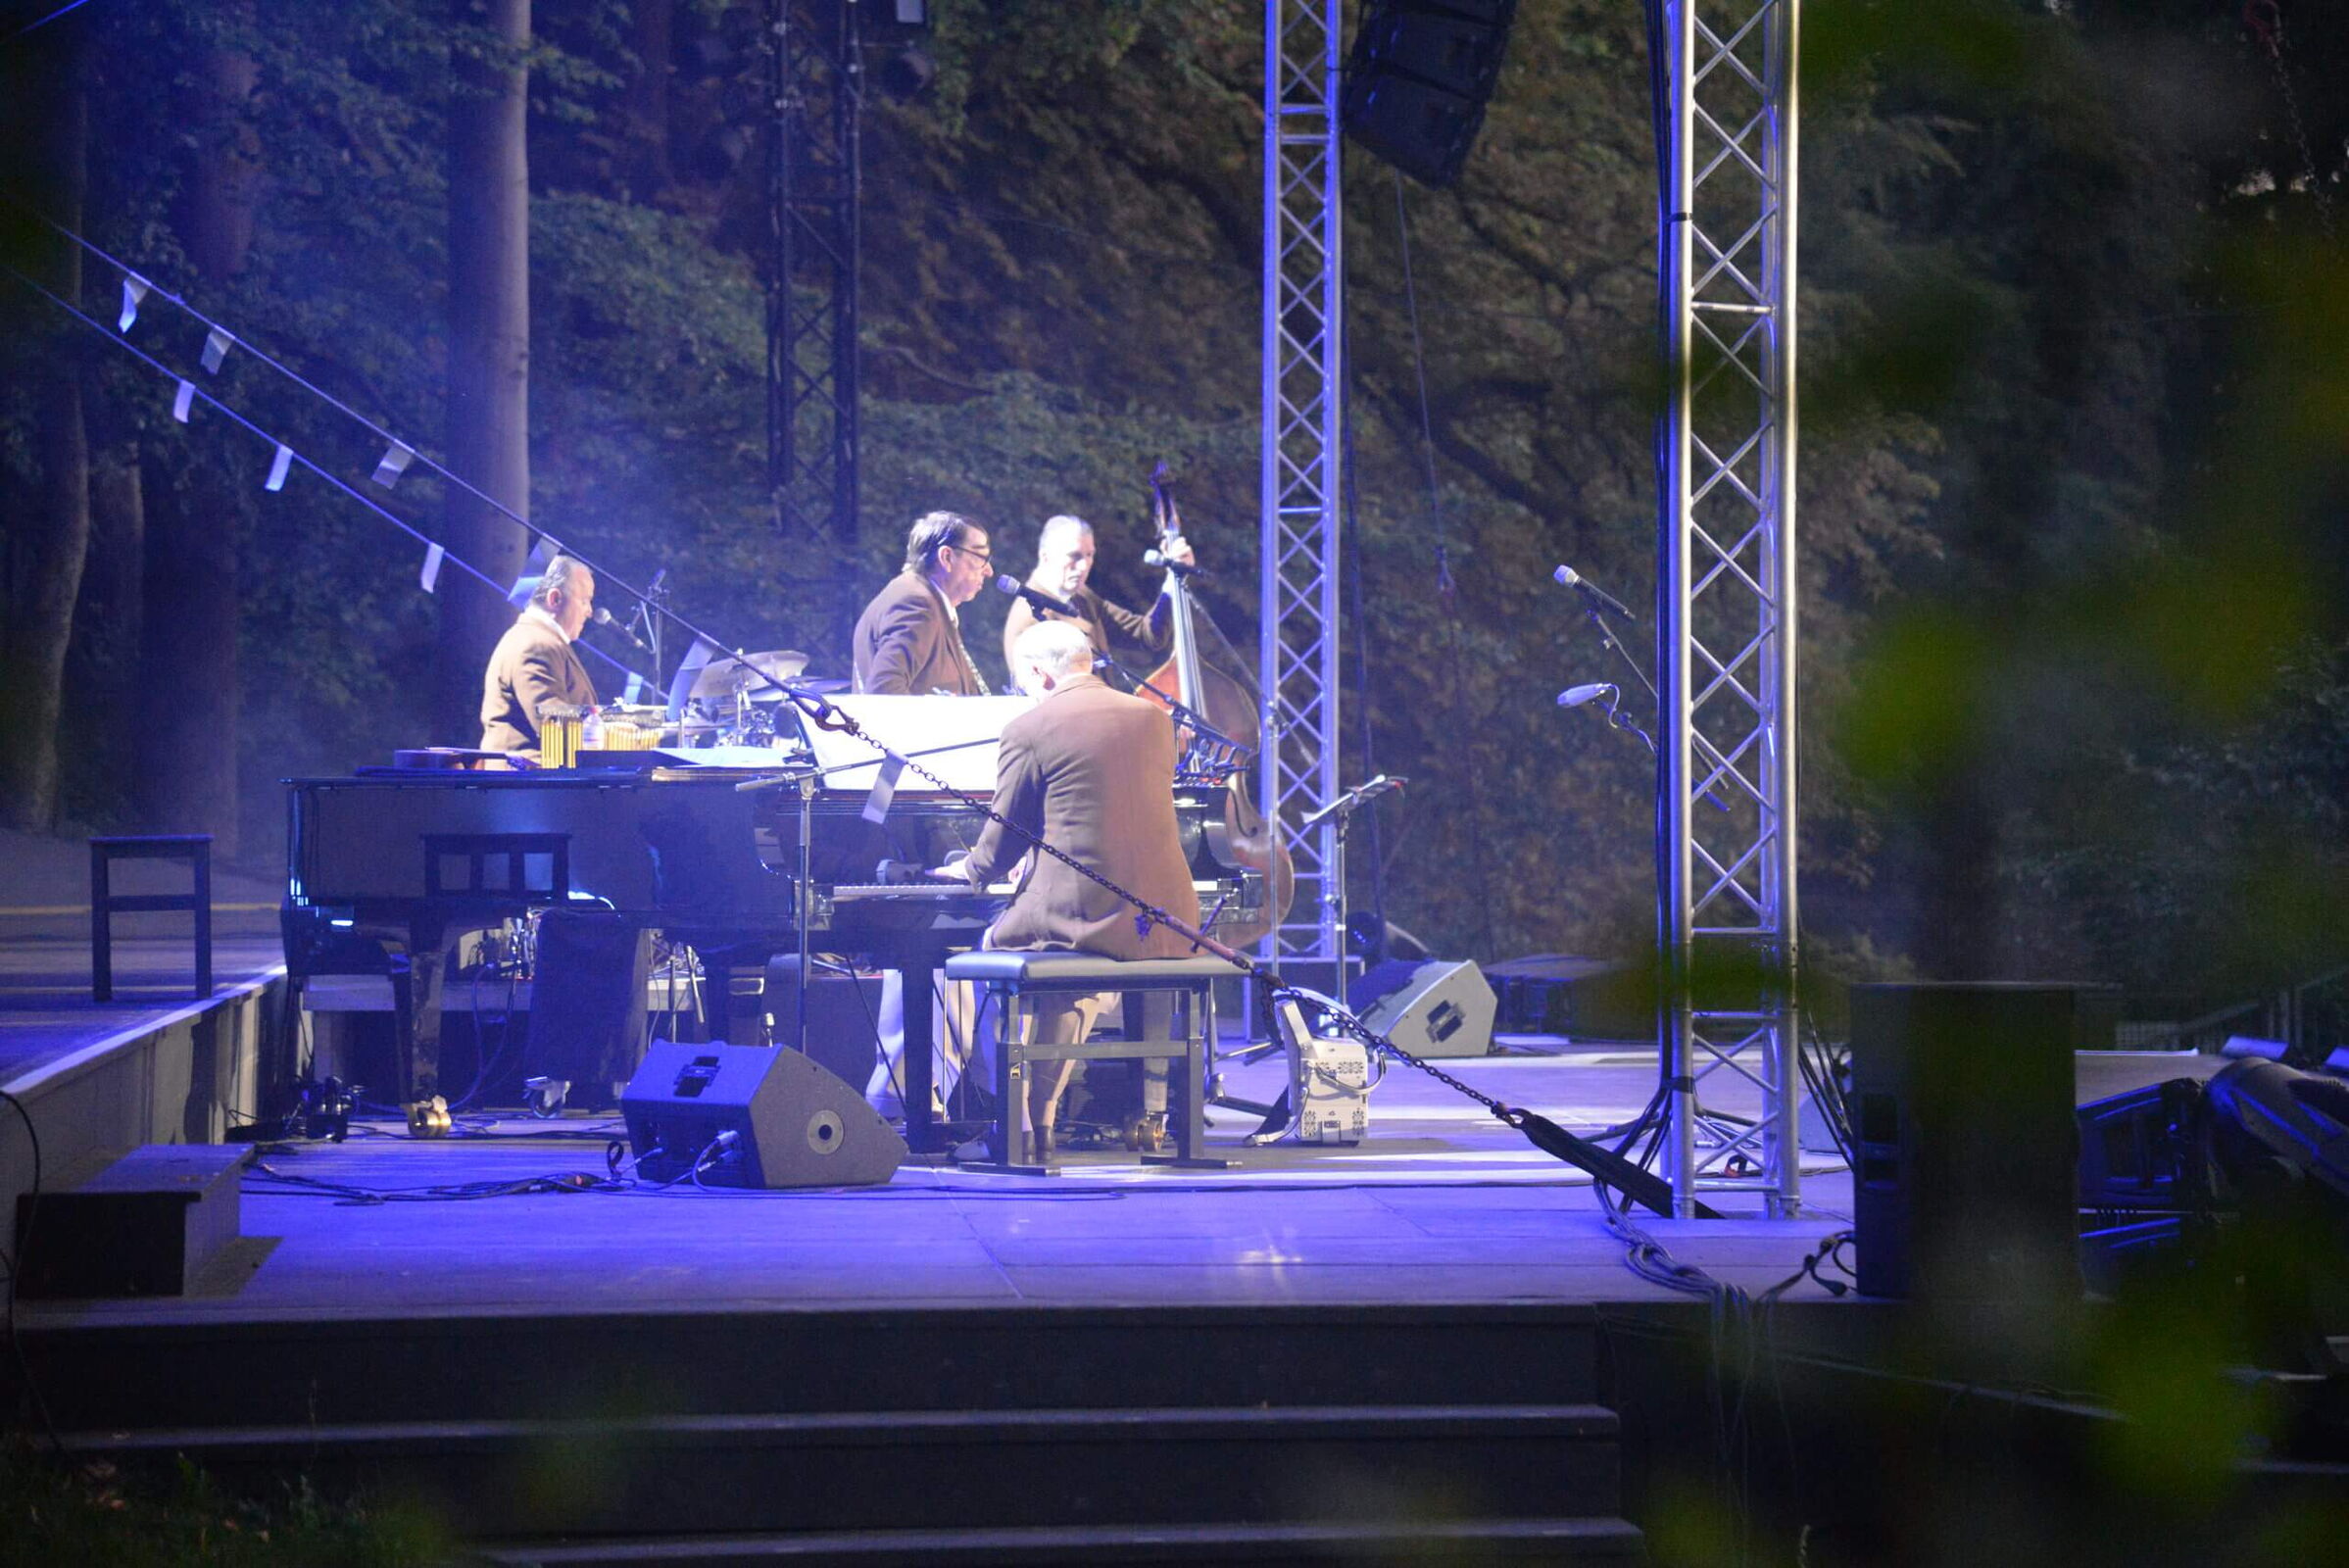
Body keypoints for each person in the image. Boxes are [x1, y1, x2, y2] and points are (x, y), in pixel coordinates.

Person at [957, 617, 1202, 1154]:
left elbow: (1004, 838)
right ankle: (1040, 1122)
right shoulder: (1154, 719)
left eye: (1021, 681)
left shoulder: (1029, 728)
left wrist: (969, 872)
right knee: (1076, 982)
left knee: (981, 954)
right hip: (1164, 913)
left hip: (1084, 911)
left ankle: (1007, 1122)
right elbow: (1101, 811)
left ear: (1039, 674)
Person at [999, 514, 1194, 679]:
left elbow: (1148, 636)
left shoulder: (1082, 596)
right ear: (1045, 557)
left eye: (1089, 555)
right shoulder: (1028, 619)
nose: (1084, 566)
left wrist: (1174, 579)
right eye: (1074, 556)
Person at [852, 511, 995, 696]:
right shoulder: (918, 605)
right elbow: (884, 691)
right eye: (981, 557)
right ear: (947, 557)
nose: (989, 571)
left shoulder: (923, 598)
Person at [479, 555, 598, 758]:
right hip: (532, 775)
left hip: (543, 774)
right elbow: (553, 722)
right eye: (584, 601)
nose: (590, 612)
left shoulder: (540, 639)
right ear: (555, 599)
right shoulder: (536, 645)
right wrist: (617, 732)